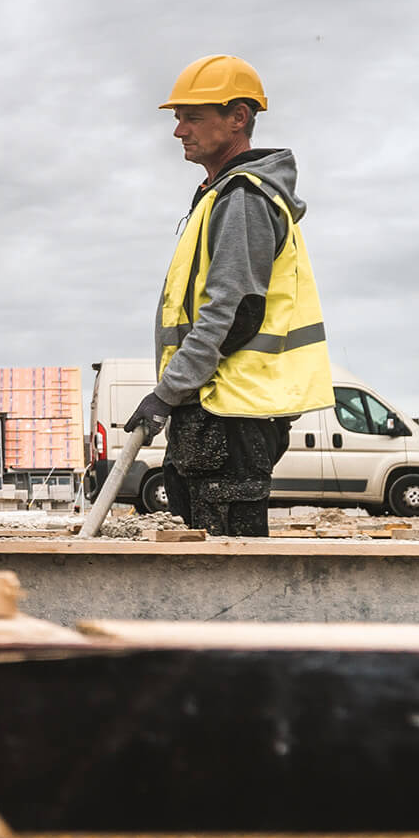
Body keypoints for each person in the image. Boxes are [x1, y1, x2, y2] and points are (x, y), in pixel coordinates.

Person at [123, 55, 333, 537]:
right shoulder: (221, 195)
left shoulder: (243, 197)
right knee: (201, 531)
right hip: (217, 405)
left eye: (192, 117)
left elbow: (233, 309)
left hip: (231, 410)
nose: (179, 131)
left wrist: (166, 392)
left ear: (238, 117)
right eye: (177, 118)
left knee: (227, 557)